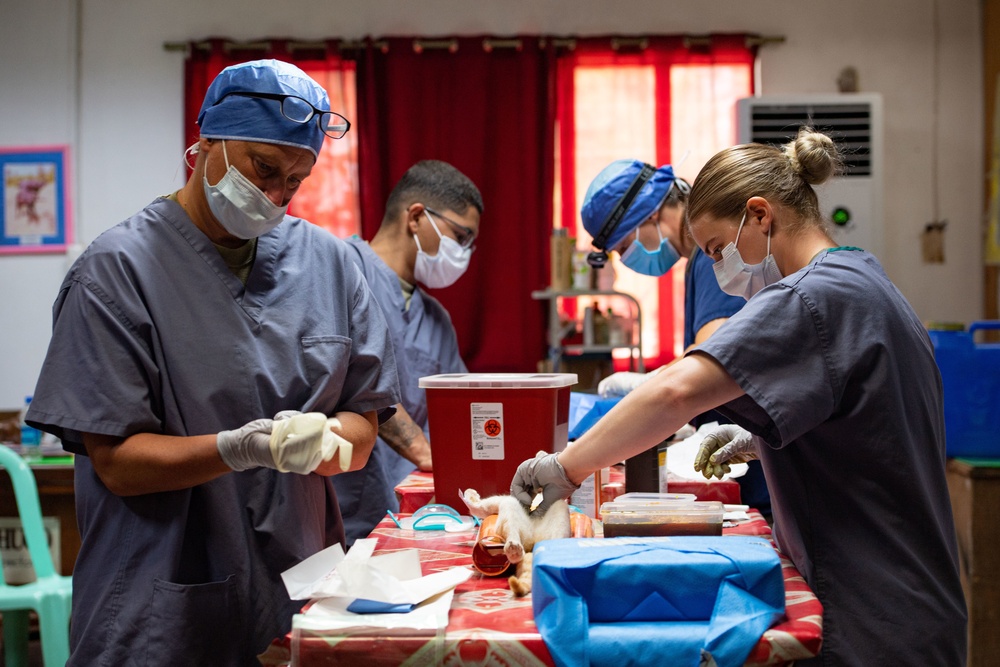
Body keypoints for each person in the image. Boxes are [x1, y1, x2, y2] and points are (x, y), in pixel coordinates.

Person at [511, 129, 967, 665]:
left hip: (877, 616)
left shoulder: (812, 296)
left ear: (760, 215)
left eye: (718, 250)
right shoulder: (861, 276)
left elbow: (678, 392)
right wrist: (761, 435)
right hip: (911, 604)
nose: (722, 274)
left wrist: (564, 468)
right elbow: (866, 421)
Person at [25, 60, 401, 665]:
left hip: (300, 590)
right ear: (205, 143)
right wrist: (241, 449)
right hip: (160, 607)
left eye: (296, 180)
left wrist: (329, 438)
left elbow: (363, 428)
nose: (277, 195)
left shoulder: (330, 266)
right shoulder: (116, 273)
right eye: (263, 167)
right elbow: (117, 464)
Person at [586, 161, 771, 519]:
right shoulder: (702, 262)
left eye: (625, 246)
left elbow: (714, 358)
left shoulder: (714, 259)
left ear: (652, 215)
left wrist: (653, 384)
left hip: (755, 465)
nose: (626, 260)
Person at [333, 159, 482, 544]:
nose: (464, 252)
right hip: (346, 513)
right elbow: (351, 380)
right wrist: (426, 453)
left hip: (424, 518)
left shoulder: (435, 318)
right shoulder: (337, 272)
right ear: (416, 216)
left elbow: (462, 409)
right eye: (460, 236)